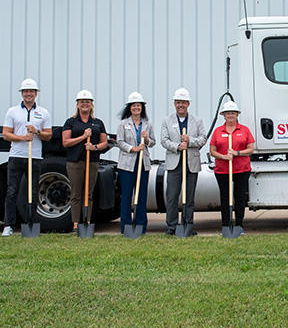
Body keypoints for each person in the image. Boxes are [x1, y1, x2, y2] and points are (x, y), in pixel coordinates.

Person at [1, 79, 52, 237]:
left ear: (36, 94)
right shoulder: (13, 111)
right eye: (26, 91)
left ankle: (32, 221)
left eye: (31, 91)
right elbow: (6, 134)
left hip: (34, 157)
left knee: (33, 191)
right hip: (16, 156)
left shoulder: (43, 113)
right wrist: (23, 138)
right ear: (22, 93)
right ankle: (8, 225)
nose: (28, 94)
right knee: (12, 191)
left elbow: (48, 135)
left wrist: (36, 132)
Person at [160, 88, 207, 236]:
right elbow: (164, 140)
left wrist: (190, 141)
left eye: (184, 102)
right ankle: (172, 226)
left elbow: (203, 139)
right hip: (175, 163)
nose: (181, 105)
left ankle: (188, 225)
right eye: (178, 102)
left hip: (191, 164)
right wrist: (177, 147)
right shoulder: (167, 121)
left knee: (189, 196)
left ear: (188, 104)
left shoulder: (197, 121)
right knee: (172, 196)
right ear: (174, 104)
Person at [62, 90, 108, 231]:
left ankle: (87, 222)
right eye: (82, 102)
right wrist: (83, 137)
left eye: (87, 102)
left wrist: (94, 147)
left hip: (92, 161)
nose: (85, 104)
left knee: (88, 193)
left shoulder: (97, 123)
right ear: (77, 104)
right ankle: (76, 223)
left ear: (91, 105)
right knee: (76, 193)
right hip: (75, 161)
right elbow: (66, 142)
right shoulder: (71, 122)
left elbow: (104, 143)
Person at [209, 101, 255, 231]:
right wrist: (224, 156)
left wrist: (237, 153)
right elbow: (212, 151)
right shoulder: (218, 131)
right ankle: (225, 225)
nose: (230, 115)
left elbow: (250, 149)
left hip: (242, 169)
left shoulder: (244, 130)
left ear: (237, 115)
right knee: (225, 198)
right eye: (228, 113)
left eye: (233, 113)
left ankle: (239, 225)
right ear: (223, 115)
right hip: (222, 171)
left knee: (239, 198)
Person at [116, 92, 156, 235]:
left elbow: (153, 142)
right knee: (127, 196)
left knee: (141, 195)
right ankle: (126, 225)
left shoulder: (147, 123)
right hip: (127, 164)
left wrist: (146, 140)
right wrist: (133, 149)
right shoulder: (123, 124)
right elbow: (119, 142)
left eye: (138, 105)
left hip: (143, 164)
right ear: (129, 107)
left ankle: (141, 225)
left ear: (142, 107)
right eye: (134, 105)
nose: (136, 108)